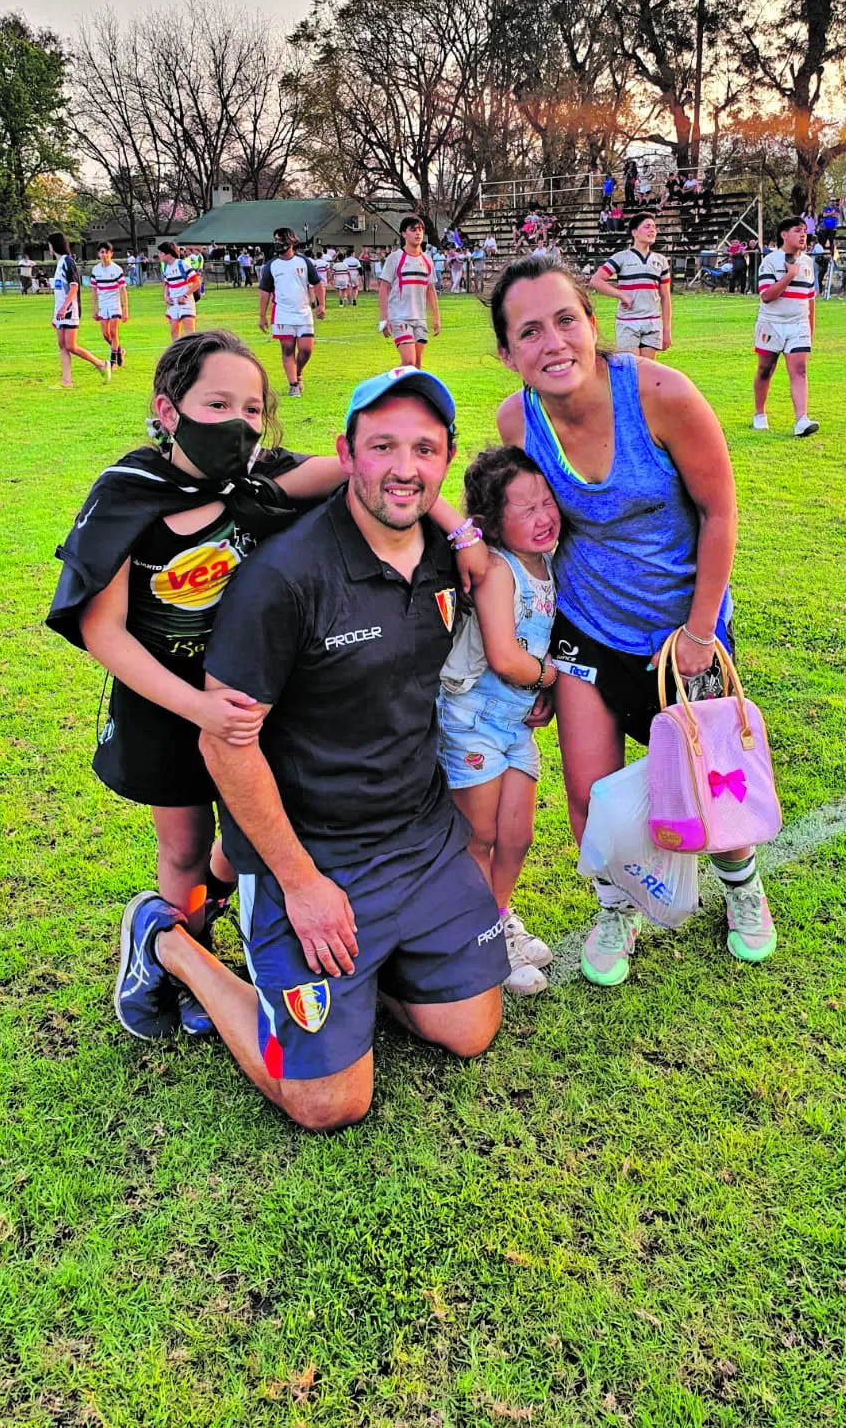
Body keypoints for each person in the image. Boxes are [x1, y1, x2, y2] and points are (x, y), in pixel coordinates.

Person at [110, 368, 508, 1131]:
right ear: (346, 454)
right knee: (329, 1103)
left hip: (418, 841)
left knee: (467, 1031)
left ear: (446, 458)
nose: (404, 467)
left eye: (424, 449)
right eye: (382, 445)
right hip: (313, 855)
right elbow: (226, 746)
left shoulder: (445, 554)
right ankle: (170, 945)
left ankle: (368, 971)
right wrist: (300, 882)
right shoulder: (285, 577)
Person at [46, 330, 353, 1032]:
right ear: (168, 409)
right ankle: (184, 957)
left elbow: (345, 469)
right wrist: (197, 708)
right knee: (183, 845)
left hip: (250, 700)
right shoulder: (128, 492)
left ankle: (212, 917)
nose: (239, 423)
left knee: (250, 828)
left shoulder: (257, 480)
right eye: (218, 404)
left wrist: (453, 526)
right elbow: (104, 632)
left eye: (253, 408)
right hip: (164, 698)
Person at [491, 257, 777, 986]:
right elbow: (525, 531)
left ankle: (744, 893)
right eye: (529, 331)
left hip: (684, 629)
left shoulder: (660, 394)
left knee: (710, 786)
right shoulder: (514, 420)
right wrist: (532, 646)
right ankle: (615, 908)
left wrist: (701, 631)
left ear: (593, 324)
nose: (552, 342)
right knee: (590, 793)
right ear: (507, 352)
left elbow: (719, 512)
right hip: (587, 628)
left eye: (565, 320)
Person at [438, 447, 559, 995]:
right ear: (489, 523)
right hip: (472, 720)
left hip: (513, 726)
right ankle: (479, 937)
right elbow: (508, 658)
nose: (544, 516)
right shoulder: (495, 570)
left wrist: (542, 689)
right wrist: (552, 679)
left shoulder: (549, 563)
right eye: (526, 509)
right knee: (479, 835)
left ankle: (499, 915)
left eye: (547, 501)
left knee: (516, 835)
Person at [752, 217, 818, 437]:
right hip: (771, 324)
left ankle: (801, 420)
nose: (803, 235)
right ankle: (759, 414)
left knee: (800, 370)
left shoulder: (808, 262)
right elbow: (767, 296)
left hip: (798, 325)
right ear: (784, 234)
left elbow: (810, 298)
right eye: (798, 231)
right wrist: (789, 275)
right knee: (765, 369)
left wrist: (810, 328)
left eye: (805, 232)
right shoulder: (770, 261)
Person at [589, 211, 672, 358]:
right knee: (631, 368)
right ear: (634, 232)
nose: (652, 230)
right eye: (647, 226)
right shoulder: (621, 258)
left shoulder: (661, 261)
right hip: (628, 323)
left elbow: (665, 297)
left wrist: (666, 330)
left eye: (654, 227)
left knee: (647, 371)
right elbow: (596, 281)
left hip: (652, 323)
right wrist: (621, 295)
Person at [258, 228, 325, 398]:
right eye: (275, 240)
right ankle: (293, 384)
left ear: (291, 241)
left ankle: (299, 372)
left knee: (306, 349)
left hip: (303, 313)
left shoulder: (304, 262)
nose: (277, 243)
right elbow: (264, 291)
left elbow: (317, 283)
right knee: (287, 350)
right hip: (282, 314)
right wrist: (262, 316)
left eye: (281, 239)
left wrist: (321, 305)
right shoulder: (271, 266)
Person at [47, 231, 109, 387]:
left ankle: (101, 364)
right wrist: (56, 312)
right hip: (60, 311)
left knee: (70, 345)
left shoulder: (68, 262)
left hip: (69, 310)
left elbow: (74, 287)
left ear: (53, 245)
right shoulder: (60, 264)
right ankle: (66, 382)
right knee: (62, 345)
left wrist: (64, 307)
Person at [378, 215, 441, 369]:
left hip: (420, 318)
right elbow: (384, 288)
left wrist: (436, 317)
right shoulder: (395, 258)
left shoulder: (427, 260)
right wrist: (384, 318)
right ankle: (387, 387)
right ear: (403, 234)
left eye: (420, 230)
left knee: (416, 366)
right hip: (400, 318)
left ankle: (408, 393)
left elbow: (430, 290)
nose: (418, 233)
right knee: (409, 362)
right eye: (413, 230)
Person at [90, 241, 129, 368]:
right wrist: (94, 308)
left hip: (114, 304)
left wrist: (125, 309)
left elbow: (123, 290)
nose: (104, 255)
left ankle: (112, 362)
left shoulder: (117, 269)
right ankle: (119, 351)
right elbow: (94, 290)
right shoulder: (95, 270)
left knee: (113, 332)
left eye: (107, 252)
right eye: (102, 252)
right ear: (98, 254)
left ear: (111, 254)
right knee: (105, 334)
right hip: (103, 304)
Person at [158, 241, 201, 341]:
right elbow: (167, 284)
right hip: (173, 303)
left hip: (186, 303)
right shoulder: (166, 268)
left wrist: (185, 296)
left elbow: (197, 282)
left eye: (161, 253)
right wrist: (166, 296)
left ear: (168, 254)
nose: (159, 256)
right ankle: (177, 355)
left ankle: (193, 355)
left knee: (190, 335)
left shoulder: (182, 264)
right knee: (174, 333)